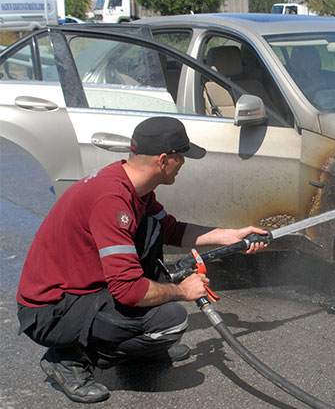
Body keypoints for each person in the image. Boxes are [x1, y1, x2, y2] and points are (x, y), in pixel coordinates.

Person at [16, 116, 268, 403]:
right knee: (171, 319)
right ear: (164, 160)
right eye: (181, 157)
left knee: (152, 228)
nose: (183, 163)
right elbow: (129, 290)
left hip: (81, 290)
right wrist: (184, 291)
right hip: (50, 311)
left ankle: (140, 349)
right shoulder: (112, 200)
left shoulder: (133, 186)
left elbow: (170, 229)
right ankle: (68, 359)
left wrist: (231, 236)